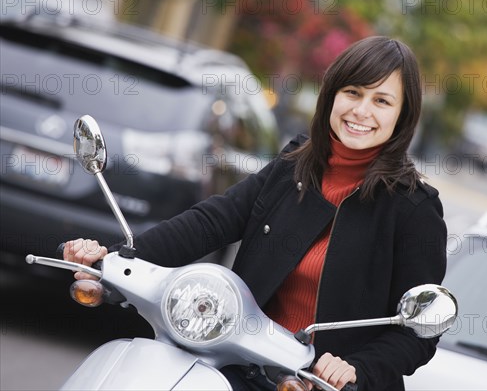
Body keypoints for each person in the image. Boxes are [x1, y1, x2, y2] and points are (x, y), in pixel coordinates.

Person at [64, 36, 447, 391]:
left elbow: (417, 331)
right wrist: (113, 260)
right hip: (236, 364)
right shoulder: (293, 166)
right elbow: (212, 221)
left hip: (321, 385)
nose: (362, 110)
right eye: (353, 92)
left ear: (403, 114)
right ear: (332, 95)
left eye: (382, 101)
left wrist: (357, 368)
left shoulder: (414, 208)